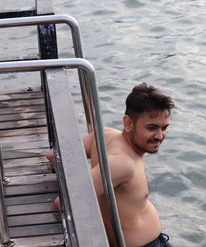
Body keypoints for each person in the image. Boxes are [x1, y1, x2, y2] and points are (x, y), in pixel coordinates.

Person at [47, 83, 174, 247]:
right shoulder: (122, 164)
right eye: (152, 128)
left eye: (164, 128)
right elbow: (64, 203)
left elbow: (53, 156)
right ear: (128, 123)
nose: (160, 136)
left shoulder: (106, 135)